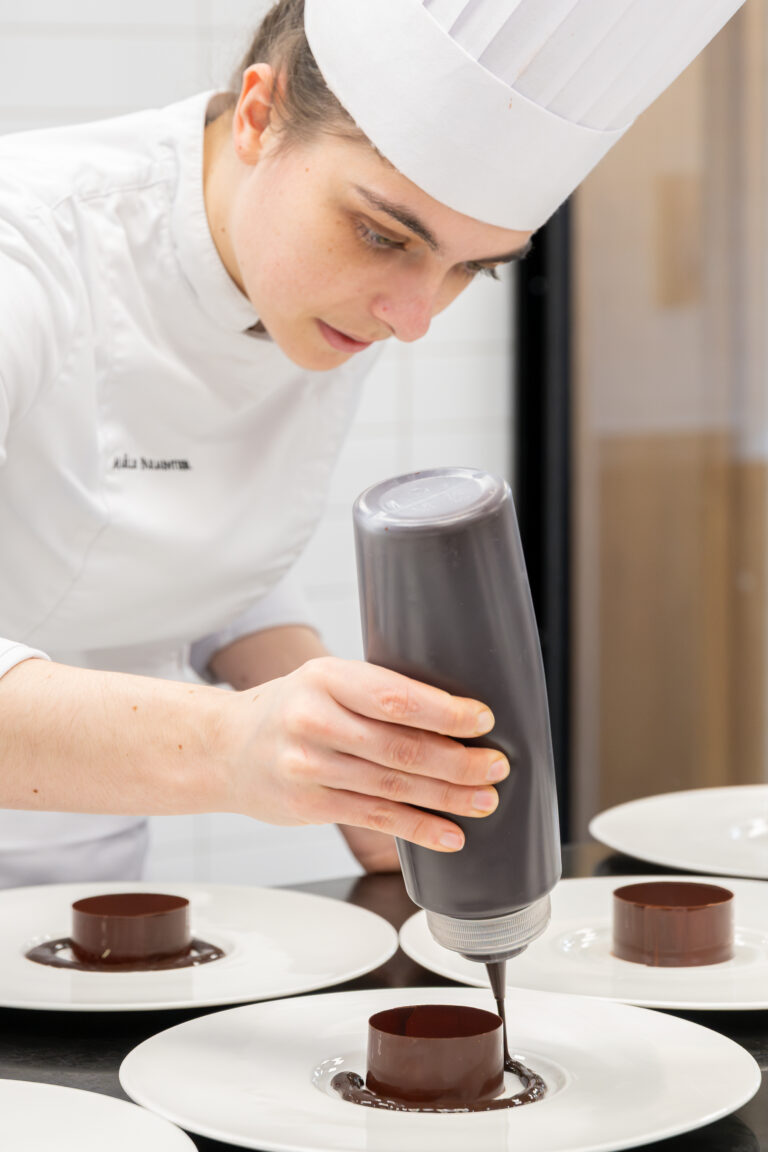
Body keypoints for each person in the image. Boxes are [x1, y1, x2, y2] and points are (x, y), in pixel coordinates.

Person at [0, 0, 744, 887]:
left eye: (473, 266)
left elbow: (186, 548)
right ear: (257, 117)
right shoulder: (27, 253)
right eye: (382, 235)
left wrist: (370, 761)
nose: (414, 317)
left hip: (86, 875)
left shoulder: (322, 287)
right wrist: (240, 746)